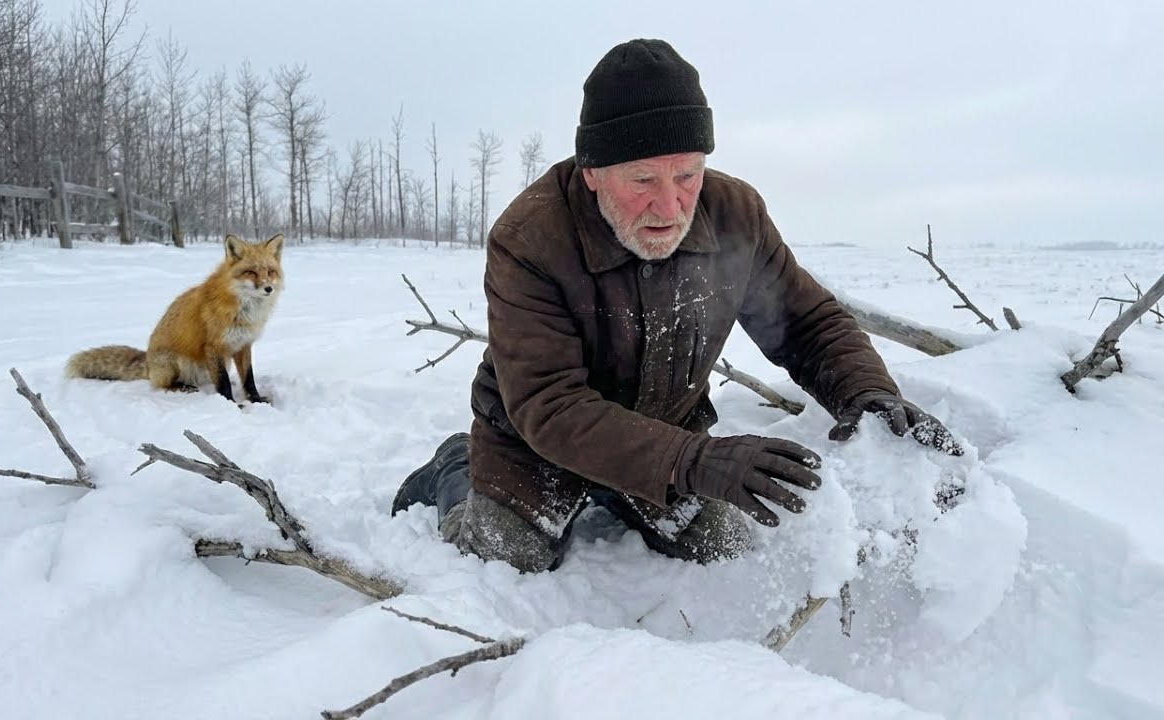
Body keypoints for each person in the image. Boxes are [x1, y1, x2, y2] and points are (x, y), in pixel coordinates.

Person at [391, 38, 960, 573]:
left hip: (664, 433)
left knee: (726, 549)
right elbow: (549, 404)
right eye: (643, 180)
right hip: (535, 443)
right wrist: (692, 462)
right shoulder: (530, 237)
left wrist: (868, 393)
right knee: (508, 558)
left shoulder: (736, 213)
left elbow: (806, 323)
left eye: (687, 174)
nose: (670, 204)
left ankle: (624, 492)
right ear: (592, 172)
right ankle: (455, 464)